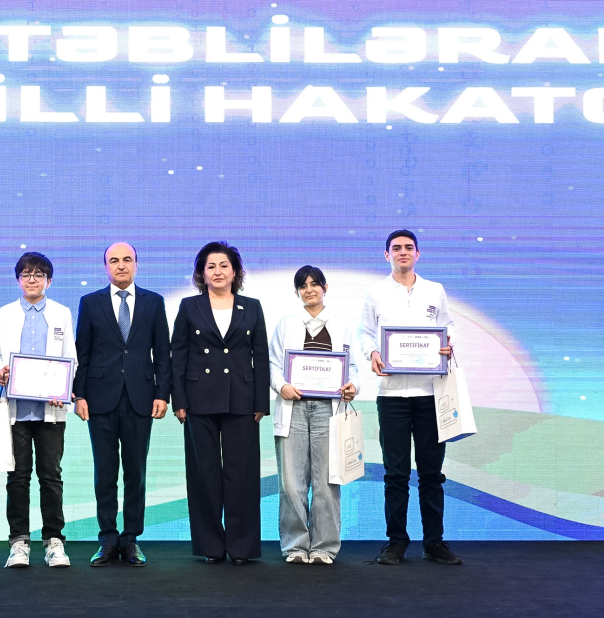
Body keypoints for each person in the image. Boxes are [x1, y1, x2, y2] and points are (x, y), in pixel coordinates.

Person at [358, 229, 461, 566]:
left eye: (408, 247)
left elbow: (449, 328)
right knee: (395, 475)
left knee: (432, 474)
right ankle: (396, 542)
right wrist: (373, 352)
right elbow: (365, 332)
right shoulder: (375, 293)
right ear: (386, 255)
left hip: (430, 393)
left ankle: (434, 542)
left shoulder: (435, 290)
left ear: (418, 254)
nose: (402, 252)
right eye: (396, 248)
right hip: (391, 396)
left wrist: (448, 344)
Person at [170, 241, 269, 566]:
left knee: (242, 474)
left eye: (224, 265)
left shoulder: (251, 307)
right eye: (211, 266)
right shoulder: (189, 306)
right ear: (201, 273)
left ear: (235, 271)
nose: (218, 271)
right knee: (205, 474)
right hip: (198, 399)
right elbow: (178, 354)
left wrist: (261, 400)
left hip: (242, 399)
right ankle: (211, 545)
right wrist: (179, 399)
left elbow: (261, 356)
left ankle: (241, 547)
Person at [73, 242, 171, 567]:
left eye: (127, 259)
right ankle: (107, 540)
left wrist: (163, 394)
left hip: (141, 398)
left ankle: (130, 540)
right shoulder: (90, 302)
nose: (121, 265)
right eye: (113, 260)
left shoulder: (153, 302)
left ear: (136, 264)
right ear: (105, 267)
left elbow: (163, 352)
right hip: (99, 399)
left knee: (135, 472)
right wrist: (79, 394)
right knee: (104, 472)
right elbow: (83, 352)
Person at [268, 266, 359, 566]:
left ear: (325, 288)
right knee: (291, 483)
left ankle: (324, 547)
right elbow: (272, 364)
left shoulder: (341, 326)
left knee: (326, 482)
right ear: (297, 292)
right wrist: (281, 386)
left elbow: (352, 368)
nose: (309, 290)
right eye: (303, 286)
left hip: (328, 411)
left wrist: (352, 386)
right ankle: (295, 546)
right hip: (293, 408)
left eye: (314, 284)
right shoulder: (286, 324)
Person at [0, 252, 76, 568]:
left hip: (51, 411)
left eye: (39, 274)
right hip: (16, 410)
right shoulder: (4, 314)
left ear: (49, 281)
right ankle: (19, 542)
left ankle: (54, 540)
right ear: (18, 280)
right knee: (17, 476)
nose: (32, 279)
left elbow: (71, 358)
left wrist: (63, 388)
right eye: (26, 274)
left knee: (51, 476)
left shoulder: (61, 313)